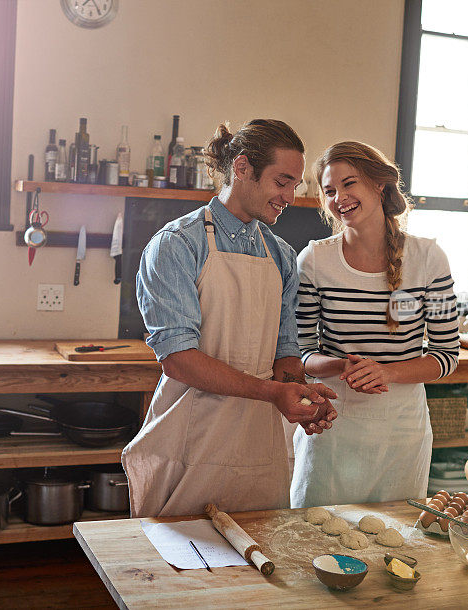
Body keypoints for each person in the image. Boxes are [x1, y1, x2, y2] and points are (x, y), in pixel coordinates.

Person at [122, 119, 338, 518]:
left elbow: (286, 354)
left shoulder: (281, 255)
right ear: (241, 169)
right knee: (183, 568)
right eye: (281, 182)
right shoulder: (177, 245)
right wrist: (273, 393)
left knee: (261, 566)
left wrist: (302, 395)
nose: (290, 196)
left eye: (295, 185)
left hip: (260, 443)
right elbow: (179, 360)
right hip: (192, 437)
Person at [291, 141, 460, 508]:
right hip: (332, 422)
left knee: (394, 546)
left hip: (400, 429)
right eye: (330, 190)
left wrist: (387, 373)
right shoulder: (315, 261)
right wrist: (340, 365)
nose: (340, 198)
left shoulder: (428, 257)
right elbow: (301, 352)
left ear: (379, 183)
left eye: (349, 184)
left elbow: (447, 355)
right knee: (316, 538)